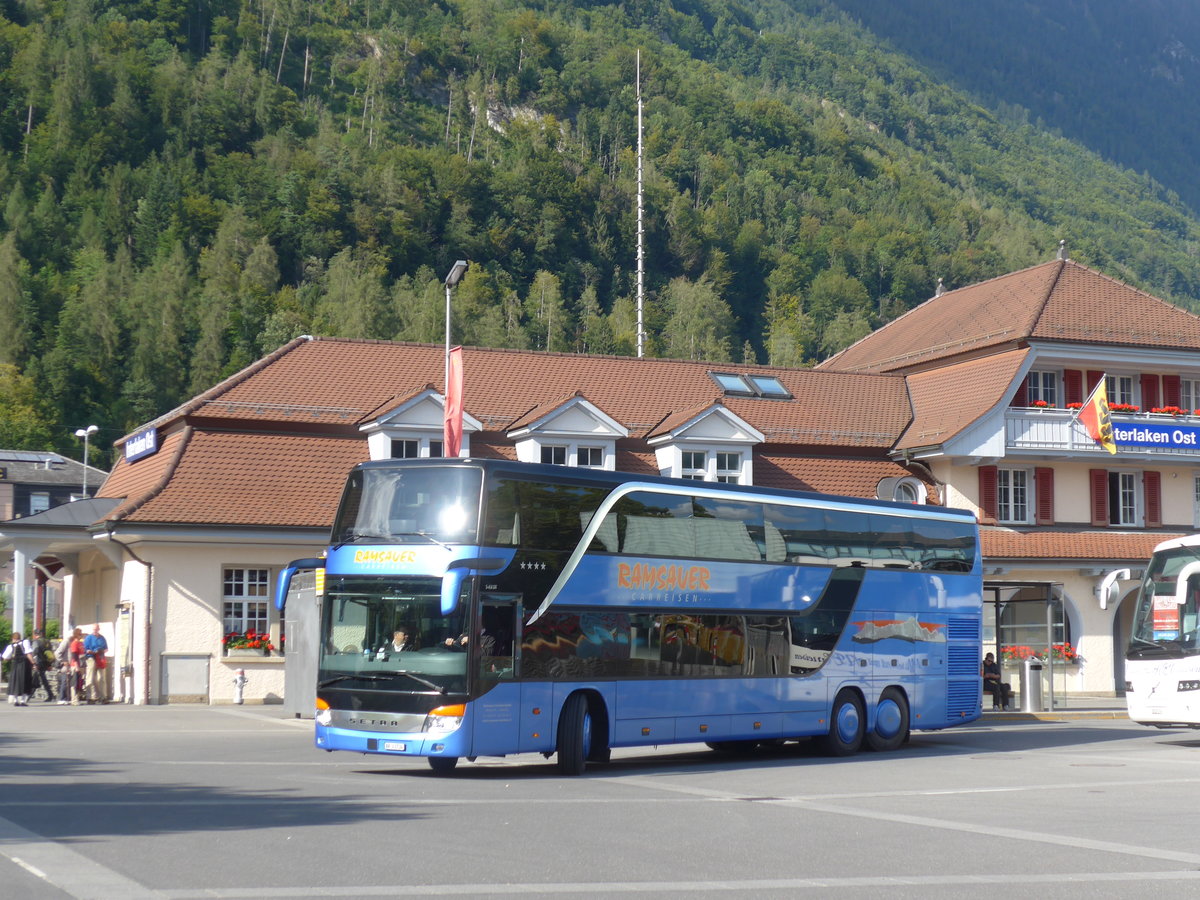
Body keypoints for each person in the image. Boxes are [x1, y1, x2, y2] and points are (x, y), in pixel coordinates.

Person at [3, 632, 34, 706]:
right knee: (24, 681)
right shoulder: (25, 642)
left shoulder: (11, 646)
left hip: (15, 664)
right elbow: (28, 654)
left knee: (15, 681)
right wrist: (33, 663)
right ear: (20, 637)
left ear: (13, 638)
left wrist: (11, 657)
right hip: (24, 664)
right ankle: (23, 701)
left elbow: (5, 658)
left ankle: (16, 700)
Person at [83, 624, 109, 704]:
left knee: (101, 678)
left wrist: (102, 651)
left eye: (96, 629)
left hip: (100, 657)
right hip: (91, 657)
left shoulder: (102, 638)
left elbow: (106, 649)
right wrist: (92, 651)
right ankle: (90, 697)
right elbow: (85, 649)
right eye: (94, 629)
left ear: (99, 629)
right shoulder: (88, 638)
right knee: (90, 678)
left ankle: (103, 697)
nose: (95, 631)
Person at [54, 629, 79, 705]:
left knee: (69, 682)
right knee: (65, 681)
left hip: (71, 665)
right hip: (66, 665)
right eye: (79, 634)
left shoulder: (74, 642)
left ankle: (66, 698)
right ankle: (61, 698)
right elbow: (57, 652)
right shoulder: (66, 641)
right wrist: (62, 661)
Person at [29, 628, 54, 702]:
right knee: (42, 678)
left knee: (37, 678)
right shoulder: (47, 641)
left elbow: (35, 652)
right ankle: (50, 694)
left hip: (38, 662)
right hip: (46, 662)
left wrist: (33, 663)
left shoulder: (36, 642)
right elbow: (50, 653)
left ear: (35, 634)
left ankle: (29, 695)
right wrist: (49, 664)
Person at [68, 628, 86, 705]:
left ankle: (77, 698)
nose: (81, 636)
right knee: (74, 683)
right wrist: (76, 666)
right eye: (79, 634)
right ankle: (74, 699)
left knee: (80, 683)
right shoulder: (74, 643)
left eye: (81, 634)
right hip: (75, 665)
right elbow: (74, 655)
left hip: (81, 664)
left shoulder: (80, 643)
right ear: (76, 635)